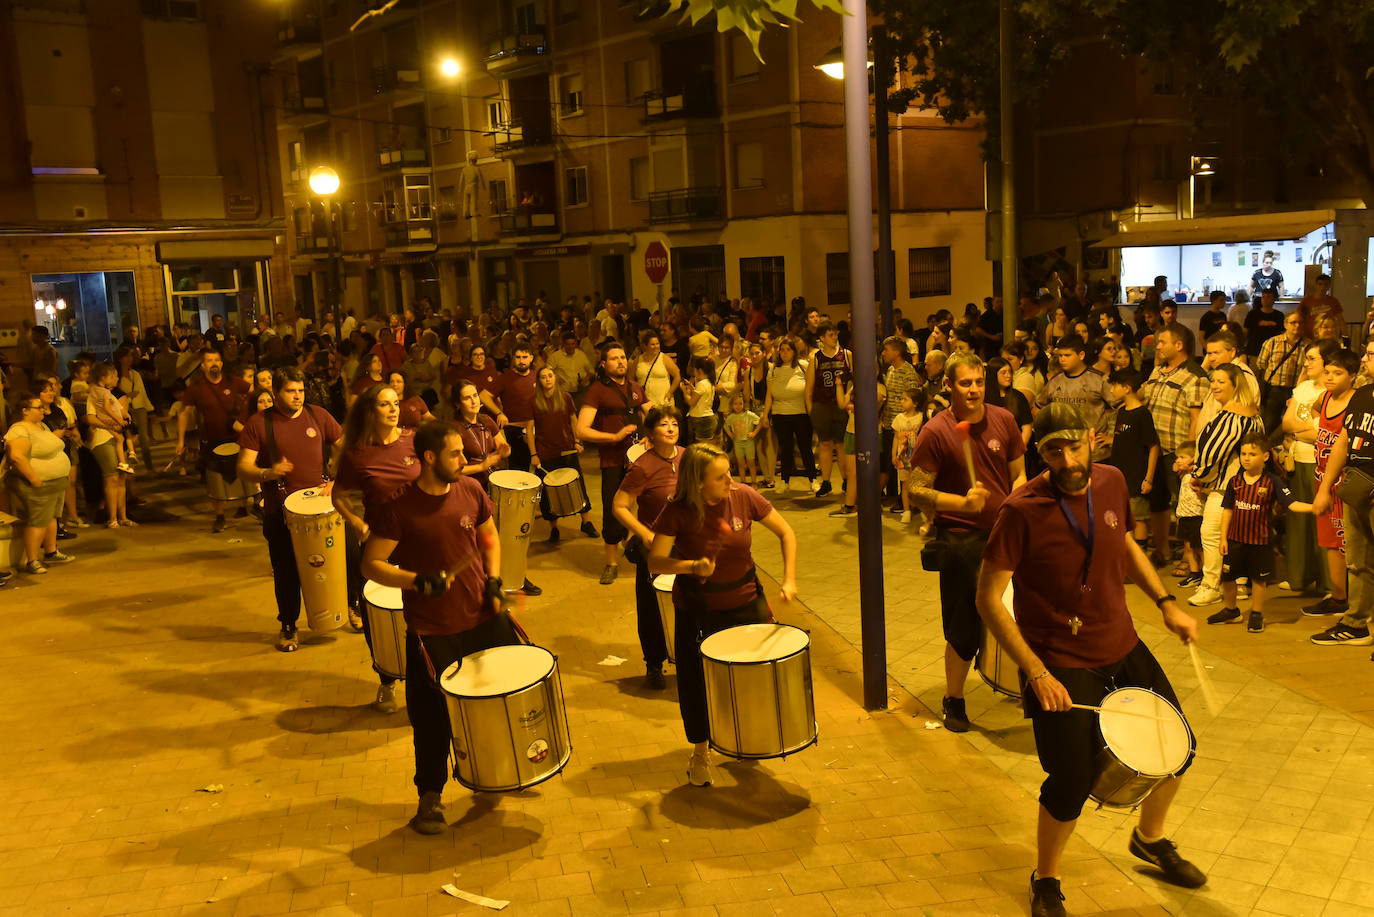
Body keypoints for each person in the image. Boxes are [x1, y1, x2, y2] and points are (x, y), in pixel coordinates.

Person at [975, 403, 1206, 917]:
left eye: (1073, 444)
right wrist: (1036, 673)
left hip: (1120, 643)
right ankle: (1047, 878)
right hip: (1058, 660)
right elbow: (988, 598)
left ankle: (1149, 839)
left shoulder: (1112, 481)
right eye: (1053, 450)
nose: (1066, 458)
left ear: (1092, 437)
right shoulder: (1021, 509)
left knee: (1176, 750)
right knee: (1070, 781)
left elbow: (1124, 542)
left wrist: (1166, 603)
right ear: (1042, 453)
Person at [361, 421, 519, 835]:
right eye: (455, 454)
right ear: (430, 458)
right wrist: (415, 580)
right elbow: (370, 564)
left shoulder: (470, 490)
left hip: (483, 616)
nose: (464, 460)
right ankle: (430, 796)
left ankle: (501, 769)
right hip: (433, 630)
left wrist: (495, 579)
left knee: (498, 697)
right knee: (432, 719)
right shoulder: (398, 507)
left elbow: (489, 536)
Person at [648, 443, 798, 786]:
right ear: (699, 483)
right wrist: (690, 566)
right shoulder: (678, 510)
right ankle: (700, 751)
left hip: (746, 601)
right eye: (720, 476)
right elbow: (655, 562)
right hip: (698, 610)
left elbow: (787, 532)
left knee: (752, 679)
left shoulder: (744, 496)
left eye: (729, 471)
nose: (731, 479)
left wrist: (789, 579)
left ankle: (748, 739)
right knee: (696, 684)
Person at [908, 350, 1026, 732]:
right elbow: (914, 489)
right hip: (960, 539)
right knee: (963, 626)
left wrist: (1015, 509)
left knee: (1019, 614)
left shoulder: (1005, 420)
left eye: (978, 382)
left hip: (1003, 534)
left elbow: (1019, 476)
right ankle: (954, 699)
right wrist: (961, 502)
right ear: (949, 386)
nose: (974, 390)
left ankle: (1023, 684)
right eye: (965, 383)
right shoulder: (936, 431)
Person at [236, 367, 345, 652]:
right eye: (290, 391)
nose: (297, 396)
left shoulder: (319, 416)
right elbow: (244, 467)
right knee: (286, 572)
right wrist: (268, 473)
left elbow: (346, 448)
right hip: (280, 511)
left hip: (324, 508)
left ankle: (351, 609)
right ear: (275, 392)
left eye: (300, 391)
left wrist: (336, 479)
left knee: (349, 559)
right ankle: (288, 625)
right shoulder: (259, 423)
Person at [332, 383, 422, 715]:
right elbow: (338, 495)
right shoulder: (358, 453)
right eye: (385, 405)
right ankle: (386, 680)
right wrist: (357, 523)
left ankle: (425, 674)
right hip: (381, 546)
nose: (394, 409)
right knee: (379, 615)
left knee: (422, 607)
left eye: (396, 403)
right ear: (371, 412)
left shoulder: (414, 440)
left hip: (419, 541)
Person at [1209, 432, 1315, 633]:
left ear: (1265, 456)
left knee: (1259, 578)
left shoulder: (1272, 482)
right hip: (1235, 540)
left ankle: (1256, 613)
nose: (1246, 458)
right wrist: (1223, 537)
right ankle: (1231, 610)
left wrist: (1315, 507)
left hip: (1260, 540)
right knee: (1228, 577)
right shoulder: (1234, 482)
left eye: (1252, 454)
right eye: (1243, 454)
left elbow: (1291, 504)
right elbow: (1228, 510)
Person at [1178, 363, 1263, 607]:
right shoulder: (1253, 414)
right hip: (1244, 485)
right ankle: (1237, 585)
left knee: (1213, 533)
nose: (1214, 386)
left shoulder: (1232, 417)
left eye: (1221, 381)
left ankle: (1211, 586)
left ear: (1235, 385)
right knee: (1236, 536)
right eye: (1213, 381)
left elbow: (1214, 452)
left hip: (1226, 485)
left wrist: (1199, 475)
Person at [612, 406, 683, 690]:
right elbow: (619, 505)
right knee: (652, 606)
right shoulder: (643, 466)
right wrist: (644, 533)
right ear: (652, 432)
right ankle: (654, 663)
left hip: (686, 544)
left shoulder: (689, 457)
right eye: (664, 424)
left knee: (687, 604)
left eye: (675, 424)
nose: (671, 429)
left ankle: (689, 657)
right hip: (655, 549)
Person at [1310, 339, 1374, 649]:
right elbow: (1344, 442)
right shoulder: (1362, 396)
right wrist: (1325, 489)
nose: (1366, 359)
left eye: (1372, 354)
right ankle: (1356, 622)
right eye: (1367, 353)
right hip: (1355, 488)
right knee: (1358, 561)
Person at [576, 342, 648, 585]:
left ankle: (639, 547)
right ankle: (611, 562)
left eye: (623, 357)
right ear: (604, 364)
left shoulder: (636, 388)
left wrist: (654, 434)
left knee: (643, 503)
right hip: (612, 460)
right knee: (612, 509)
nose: (621, 361)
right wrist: (614, 438)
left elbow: (655, 414)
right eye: (615, 358)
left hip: (639, 460)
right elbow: (582, 429)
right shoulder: (597, 390)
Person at [1140, 324, 1208, 566]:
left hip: (1176, 451)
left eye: (1162, 342)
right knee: (1157, 503)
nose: (1157, 346)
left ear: (1178, 345)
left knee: (1186, 505)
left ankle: (1191, 559)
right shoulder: (1157, 371)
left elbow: (1196, 419)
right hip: (1153, 450)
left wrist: (1189, 454)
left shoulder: (1195, 376)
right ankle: (1163, 550)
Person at [1282, 342, 1342, 597]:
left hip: (1323, 464)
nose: (1306, 363)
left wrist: (1305, 429)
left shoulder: (1335, 393)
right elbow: (1287, 422)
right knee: (1299, 522)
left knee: (1324, 523)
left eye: (1311, 359)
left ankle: (1330, 584)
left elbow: (1326, 433)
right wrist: (1304, 429)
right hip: (1298, 460)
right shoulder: (1304, 387)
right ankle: (1299, 576)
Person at [1303, 349, 1357, 616]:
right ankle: (1338, 596)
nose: (1331, 377)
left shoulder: (1356, 402)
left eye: (1338, 373)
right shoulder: (1324, 398)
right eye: (1328, 372)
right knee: (1329, 541)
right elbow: (1303, 413)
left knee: (1349, 543)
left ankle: (1356, 600)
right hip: (1321, 477)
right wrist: (1306, 428)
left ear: (1353, 376)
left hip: (1343, 483)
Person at [4, 394, 75, 575]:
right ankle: (32, 560)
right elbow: (16, 456)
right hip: (38, 484)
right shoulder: (19, 429)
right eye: (39, 407)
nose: (43, 410)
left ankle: (51, 551)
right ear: (25, 411)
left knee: (51, 518)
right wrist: (34, 478)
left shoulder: (40, 426)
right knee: (38, 521)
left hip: (54, 483)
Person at [526, 366, 597, 544]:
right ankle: (554, 528)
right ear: (539, 381)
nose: (547, 379)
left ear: (555, 378)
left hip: (566, 449)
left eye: (550, 376)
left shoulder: (565, 397)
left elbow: (574, 422)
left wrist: (578, 441)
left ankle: (586, 522)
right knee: (548, 492)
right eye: (543, 377)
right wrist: (533, 453)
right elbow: (529, 430)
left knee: (578, 486)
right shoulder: (533, 401)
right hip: (545, 452)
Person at [1036, 335, 1116, 461]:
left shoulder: (1099, 380)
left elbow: (1124, 405)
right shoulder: (1055, 382)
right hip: (1063, 455)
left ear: (1081, 355)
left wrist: (1113, 437)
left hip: (1095, 455)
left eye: (1067, 355)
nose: (1062, 359)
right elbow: (1038, 408)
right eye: (1060, 356)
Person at [804, 322, 852, 497]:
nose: (834, 337)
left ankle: (847, 480)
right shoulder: (816, 358)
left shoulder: (846, 355)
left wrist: (849, 403)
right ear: (822, 338)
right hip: (822, 405)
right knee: (825, 444)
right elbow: (808, 389)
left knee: (841, 444)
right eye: (830, 335)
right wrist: (811, 411)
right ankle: (826, 482)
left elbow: (854, 381)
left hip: (841, 406)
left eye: (835, 334)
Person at [761, 337, 813, 490]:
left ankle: (813, 479)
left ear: (794, 352)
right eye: (782, 349)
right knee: (786, 448)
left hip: (801, 413)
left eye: (788, 349)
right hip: (780, 414)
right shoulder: (773, 369)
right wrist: (765, 414)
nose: (784, 353)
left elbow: (810, 389)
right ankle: (785, 480)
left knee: (805, 447)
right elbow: (769, 394)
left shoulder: (803, 366)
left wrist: (811, 411)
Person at [483, 343, 538, 473]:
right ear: (513, 359)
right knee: (519, 470)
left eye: (524, 357)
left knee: (541, 468)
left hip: (537, 429)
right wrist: (499, 413)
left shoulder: (537, 376)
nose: (521, 360)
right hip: (515, 430)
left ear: (531, 358)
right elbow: (484, 396)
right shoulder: (505, 377)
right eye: (518, 357)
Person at [1254, 310, 1308, 434]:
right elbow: (1261, 364)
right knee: (1269, 423)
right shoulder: (1272, 343)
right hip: (1274, 389)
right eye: (1293, 322)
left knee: (1290, 424)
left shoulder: (1307, 345)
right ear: (1285, 325)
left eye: (1300, 323)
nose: (1297, 326)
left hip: (1294, 390)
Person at [722, 392, 761, 486]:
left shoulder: (749, 415)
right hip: (738, 443)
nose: (738, 406)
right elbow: (725, 426)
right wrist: (731, 434)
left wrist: (754, 433)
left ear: (744, 404)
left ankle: (754, 482)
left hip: (749, 442)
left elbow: (760, 421)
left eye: (740, 403)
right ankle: (743, 482)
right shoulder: (731, 417)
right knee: (740, 464)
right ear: (732, 405)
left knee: (751, 463)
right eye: (735, 404)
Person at [547, 331, 594, 399]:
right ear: (563, 344)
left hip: (580, 391)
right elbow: (548, 369)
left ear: (576, 344)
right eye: (568, 344)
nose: (571, 347)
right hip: (563, 392)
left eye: (573, 344)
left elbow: (591, 370)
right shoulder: (556, 356)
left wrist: (586, 379)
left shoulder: (581, 354)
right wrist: (556, 377)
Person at [1297, 273, 1344, 341]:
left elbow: (1341, 320)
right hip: (1309, 337)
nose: (1322, 287)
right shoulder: (1306, 300)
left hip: (1328, 336)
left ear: (1329, 286)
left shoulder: (1333, 301)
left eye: (1325, 284)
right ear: (1315, 285)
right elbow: (1299, 317)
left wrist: (1345, 337)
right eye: (1320, 284)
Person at [683, 356, 717, 443]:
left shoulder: (701, 384)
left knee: (701, 449)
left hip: (701, 419)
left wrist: (684, 391)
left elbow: (691, 402)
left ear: (699, 370)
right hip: (707, 417)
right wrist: (692, 387)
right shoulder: (710, 382)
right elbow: (702, 396)